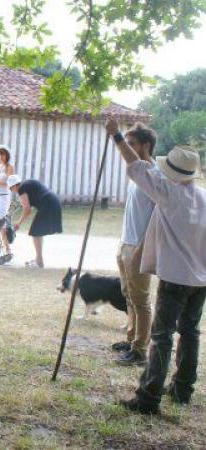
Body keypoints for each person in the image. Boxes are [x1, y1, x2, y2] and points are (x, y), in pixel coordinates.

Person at [107, 115, 206, 415]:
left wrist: (116, 137)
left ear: (171, 172)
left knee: (162, 336)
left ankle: (149, 398)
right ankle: (182, 389)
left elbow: (134, 166)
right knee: (190, 332)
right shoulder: (201, 196)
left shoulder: (168, 193)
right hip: (200, 279)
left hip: (176, 278)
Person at [111, 123, 159, 367]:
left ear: (146, 146)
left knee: (141, 300)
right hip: (126, 243)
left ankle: (140, 350)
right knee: (128, 294)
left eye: (133, 145)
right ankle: (131, 339)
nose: (127, 150)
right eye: (126, 144)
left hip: (140, 246)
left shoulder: (151, 173)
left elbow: (157, 217)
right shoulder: (136, 173)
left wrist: (142, 246)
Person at [8, 175, 62, 268]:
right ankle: (38, 259)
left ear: (14, 185)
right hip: (53, 202)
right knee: (37, 232)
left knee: (35, 232)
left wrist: (19, 223)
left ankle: (39, 261)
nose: (11, 190)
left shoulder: (21, 189)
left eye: (11, 188)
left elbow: (27, 210)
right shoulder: (27, 184)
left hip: (48, 205)